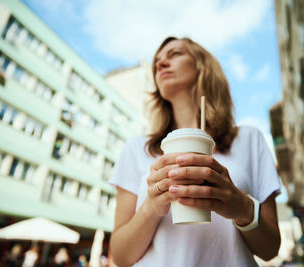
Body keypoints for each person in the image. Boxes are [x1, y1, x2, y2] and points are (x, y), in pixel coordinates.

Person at [109, 36, 281, 266]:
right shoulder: (136, 148)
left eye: (175, 54)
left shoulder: (249, 139)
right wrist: (151, 207)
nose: (160, 64)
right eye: (157, 61)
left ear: (202, 66)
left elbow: (270, 249)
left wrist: (241, 206)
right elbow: (120, 257)